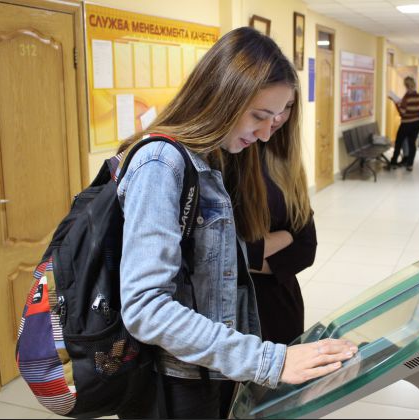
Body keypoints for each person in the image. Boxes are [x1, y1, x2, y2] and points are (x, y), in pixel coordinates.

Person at [116, 27, 357, 419]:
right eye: (259, 116)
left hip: (213, 369)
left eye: (275, 118)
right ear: (222, 96)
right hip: (175, 382)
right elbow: (146, 308)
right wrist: (270, 361)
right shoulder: (161, 162)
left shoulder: (212, 159)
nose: (264, 133)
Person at [246, 88, 317, 346]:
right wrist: (286, 236)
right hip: (235, 313)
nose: (277, 118)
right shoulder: (222, 159)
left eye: (287, 106)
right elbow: (219, 253)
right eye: (269, 108)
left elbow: (306, 247)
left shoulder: (285, 160)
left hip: (281, 306)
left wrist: (248, 256)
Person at [389, 76, 419, 172]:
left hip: (406, 123)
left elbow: (402, 112)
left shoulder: (407, 97)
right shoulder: (418, 96)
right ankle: (410, 164)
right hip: (416, 123)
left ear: (406, 85)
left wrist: (396, 103)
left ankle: (393, 162)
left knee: (398, 142)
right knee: (412, 144)